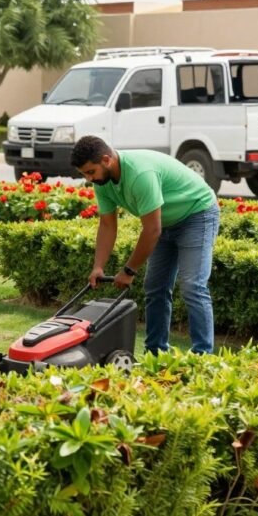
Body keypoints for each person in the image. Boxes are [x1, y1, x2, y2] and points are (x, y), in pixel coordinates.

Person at [71, 135, 220, 354]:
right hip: (164, 222)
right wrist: (98, 266)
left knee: (192, 286)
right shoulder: (103, 182)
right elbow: (107, 225)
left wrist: (129, 271)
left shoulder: (140, 174)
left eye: (91, 172)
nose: (88, 179)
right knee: (155, 287)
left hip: (197, 214)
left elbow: (152, 230)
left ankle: (203, 357)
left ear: (106, 160)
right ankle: (155, 353)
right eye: (84, 174)